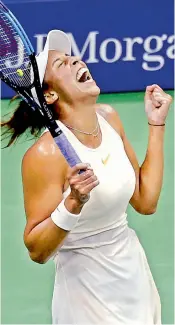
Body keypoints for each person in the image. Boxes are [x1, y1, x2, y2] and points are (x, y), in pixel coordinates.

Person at [2, 30, 172, 324]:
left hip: (134, 279)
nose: (75, 60)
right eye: (62, 64)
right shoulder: (45, 155)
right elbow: (37, 250)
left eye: (71, 57)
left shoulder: (108, 118)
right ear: (50, 95)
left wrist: (156, 125)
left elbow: (146, 202)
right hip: (86, 297)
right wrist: (72, 204)